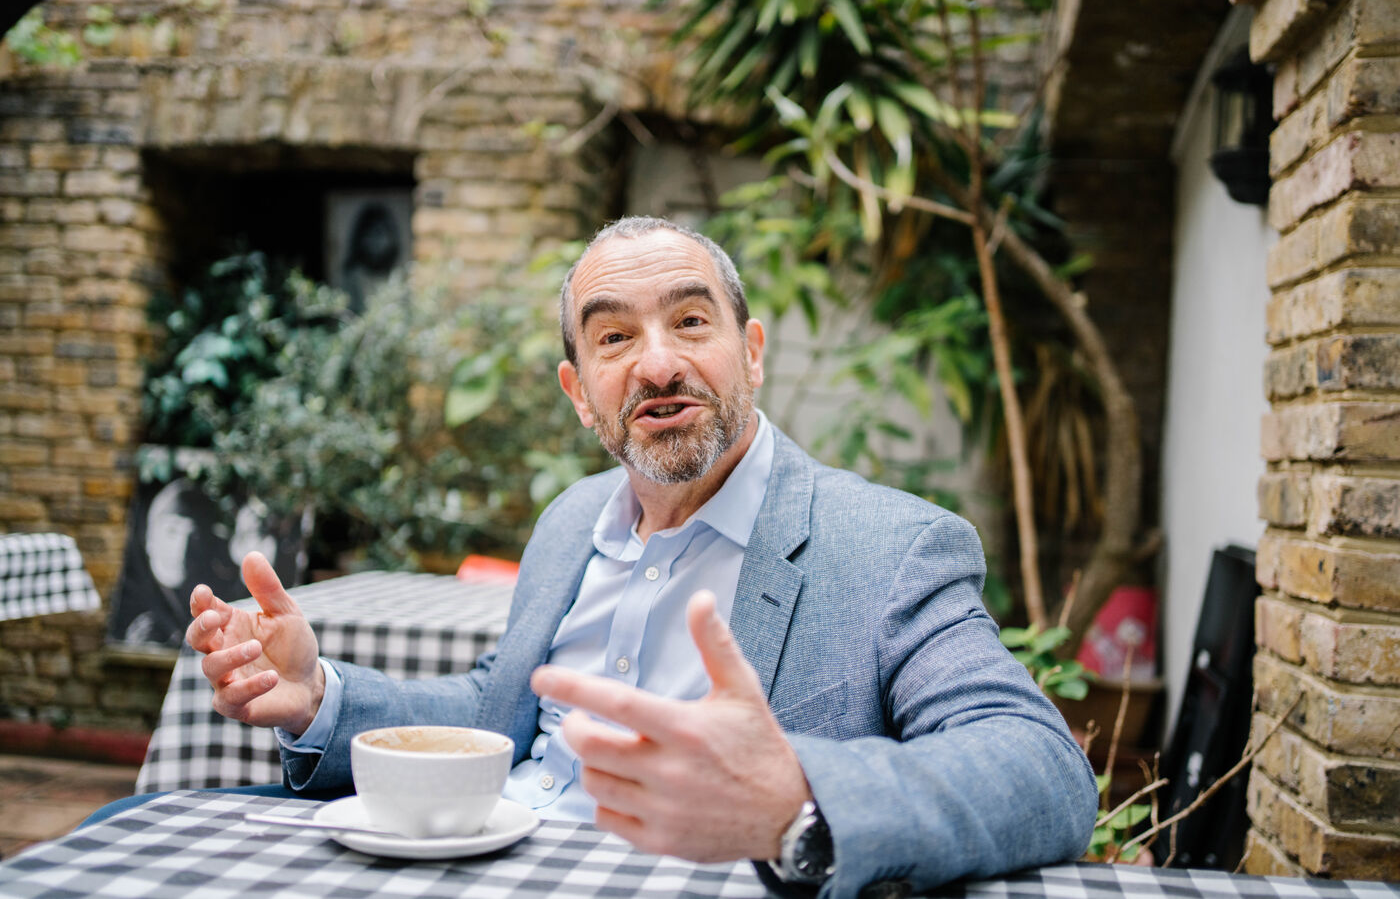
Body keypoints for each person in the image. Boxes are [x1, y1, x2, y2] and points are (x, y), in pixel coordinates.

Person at [184, 217, 1097, 896]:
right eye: (615, 337)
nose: (658, 364)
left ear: (751, 353)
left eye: (691, 322)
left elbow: (1040, 769)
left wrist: (798, 801)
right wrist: (319, 696)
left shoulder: (891, 547)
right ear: (581, 392)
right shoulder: (571, 520)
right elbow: (499, 708)